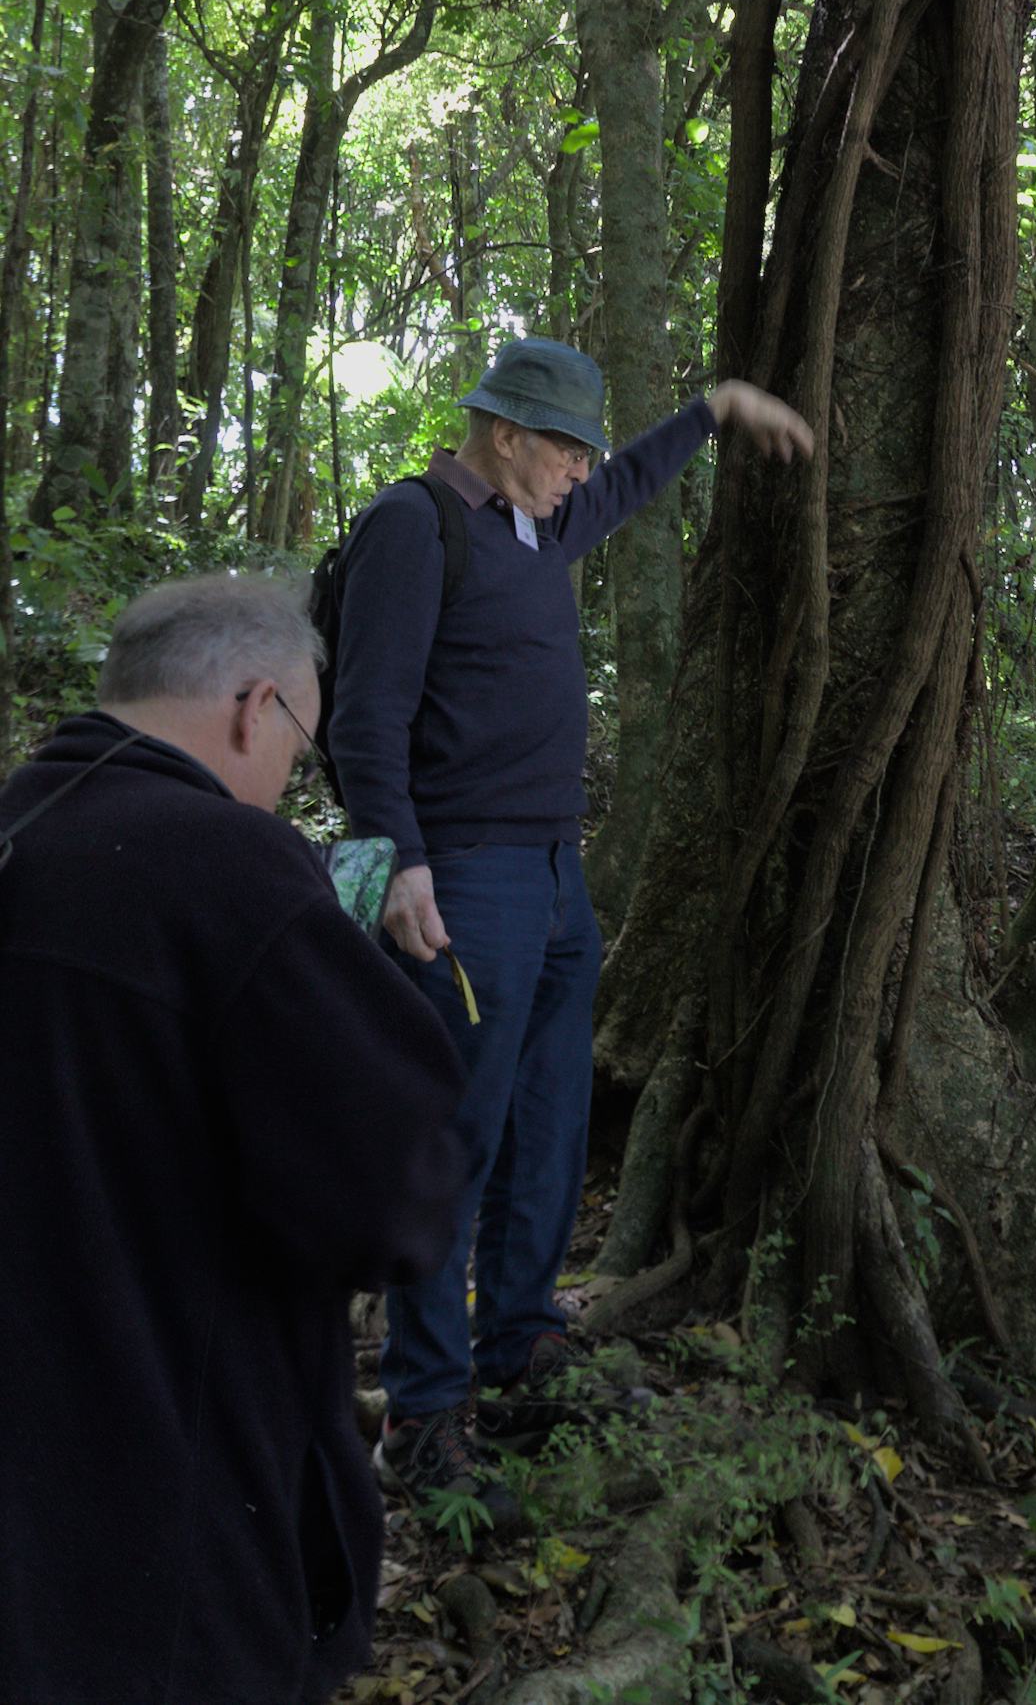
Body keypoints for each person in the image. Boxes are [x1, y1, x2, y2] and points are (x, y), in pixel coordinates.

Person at [327, 336, 811, 1509]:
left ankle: (523, 1346)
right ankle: (429, 1410)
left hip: (553, 879)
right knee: (458, 1136)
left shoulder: (535, 524)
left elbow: (627, 489)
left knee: (548, 1127)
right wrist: (398, 864)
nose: (581, 473)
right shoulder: (415, 525)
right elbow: (364, 714)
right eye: (567, 451)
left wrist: (710, 409)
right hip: (462, 879)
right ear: (506, 437)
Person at [0, 571, 466, 1705]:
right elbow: (396, 1191)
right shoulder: (233, 870)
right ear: (258, 707)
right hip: (173, 1510)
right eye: (298, 752)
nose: (285, 785)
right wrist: (416, 1001)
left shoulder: (19, 829)